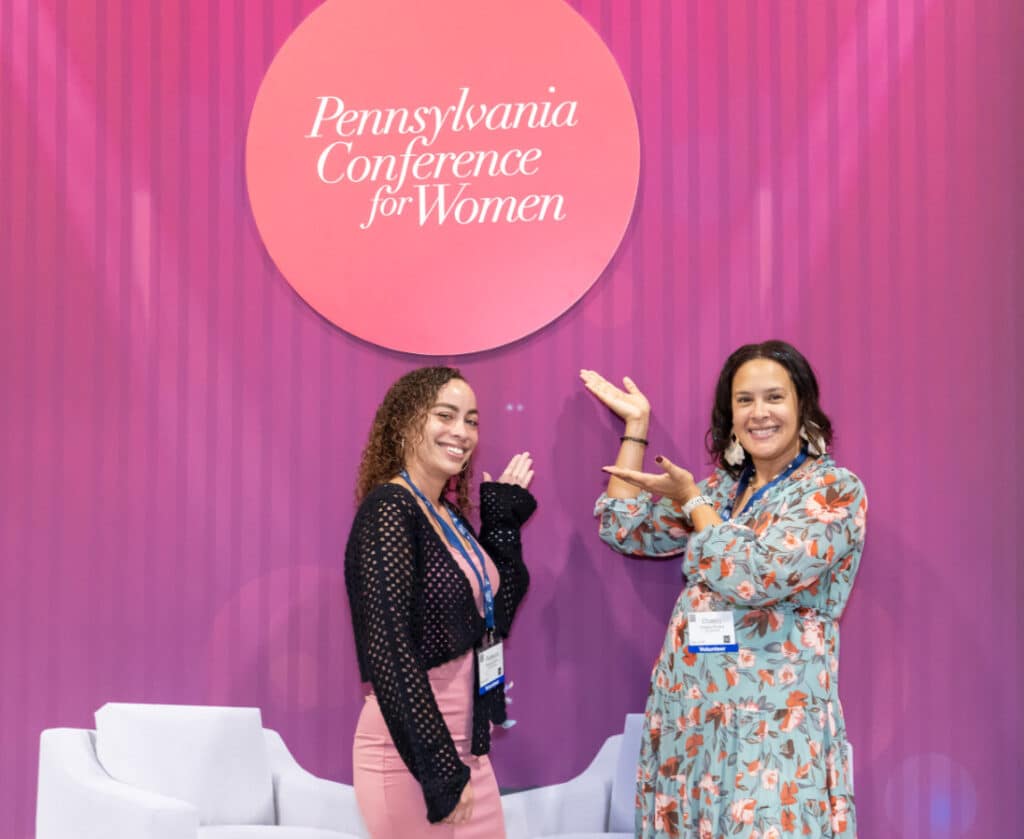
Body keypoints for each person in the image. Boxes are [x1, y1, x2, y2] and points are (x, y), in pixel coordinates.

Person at [581, 341, 866, 839]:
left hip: (773, 735)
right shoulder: (721, 490)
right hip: (692, 725)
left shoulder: (833, 491)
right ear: (729, 414)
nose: (759, 413)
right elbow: (623, 528)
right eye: (744, 400)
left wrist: (691, 501)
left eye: (774, 397)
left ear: (803, 406)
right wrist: (636, 431)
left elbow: (757, 575)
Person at [345, 365, 535, 837]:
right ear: (406, 422)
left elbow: (497, 615)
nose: (462, 432)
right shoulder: (389, 510)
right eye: (445, 415)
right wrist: (442, 775)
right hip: (414, 754)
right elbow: (389, 652)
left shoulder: (446, 515)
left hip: (470, 749)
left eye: (471, 420)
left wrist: (502, 524)